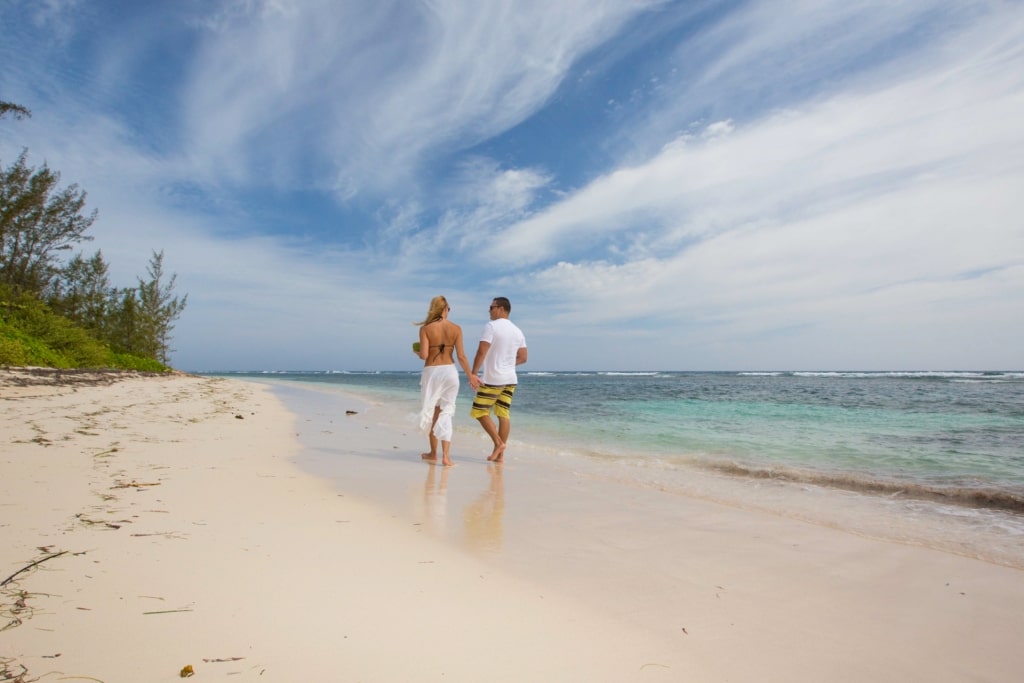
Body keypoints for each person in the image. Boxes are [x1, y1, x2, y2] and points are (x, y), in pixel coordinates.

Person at [414, 295, 473, 467]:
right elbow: (461, 356)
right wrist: (470, 376)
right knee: (447, 412)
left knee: (432, 411)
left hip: (432, 372)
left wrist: (418, 353)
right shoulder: (456, 328)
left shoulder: (425, 329)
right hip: (450, 372)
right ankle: (446, 457)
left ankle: (433, 454)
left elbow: (424, 355)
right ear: (445, 309)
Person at [468, 297, 527, 463]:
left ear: (501, 308)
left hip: (494, 378)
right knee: (503, 414)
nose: (489, 310)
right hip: (510, 379)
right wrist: (507, 364)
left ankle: (498, 444)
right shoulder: (517, 331)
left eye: (491, 307)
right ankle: (500, 455)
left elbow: (481, 351)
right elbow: (523, 357)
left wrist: (473, 373)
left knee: (479, 411)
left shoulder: (491, 326)